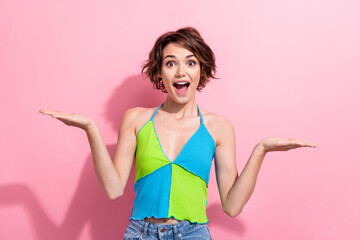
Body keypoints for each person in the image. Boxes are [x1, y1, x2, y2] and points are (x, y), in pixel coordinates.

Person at [39, 27, 317, 239]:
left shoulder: (219, 127)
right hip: (140, 233)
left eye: (191, 62)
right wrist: (91, 130)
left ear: (201, 71)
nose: (181, 71)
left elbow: (232, 206)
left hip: (193, 234)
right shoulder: (136, 119)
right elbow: (113, 190)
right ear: (160, 74)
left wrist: (261, 150)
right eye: (171, 63)